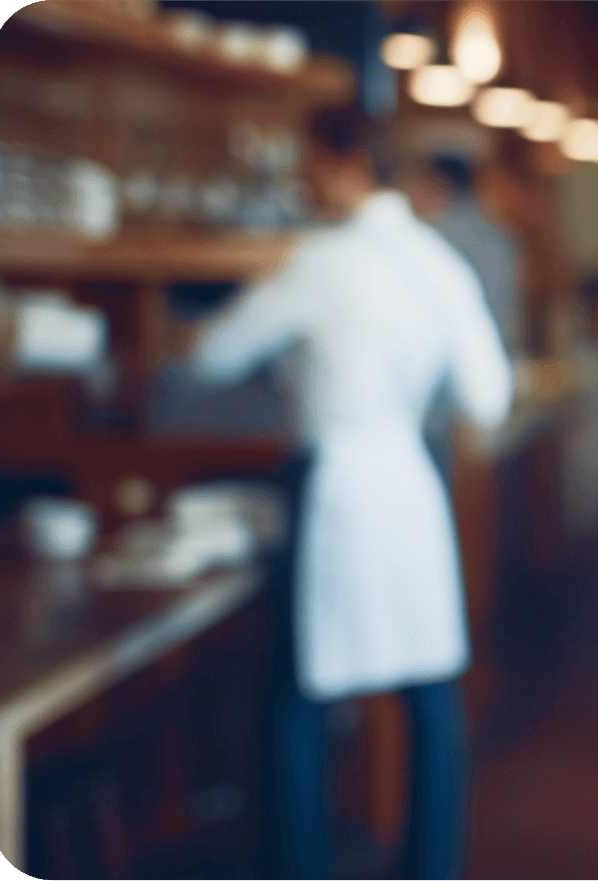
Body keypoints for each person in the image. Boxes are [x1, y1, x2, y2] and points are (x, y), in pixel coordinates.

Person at [189, 105, 512, 881]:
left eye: (311, 162)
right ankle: (433, 867)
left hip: (334, 481)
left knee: (296, 695)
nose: (303, 179)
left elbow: (210, 354)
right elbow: (489, 397)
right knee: (430, 689)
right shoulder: (440, 262)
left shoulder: (320, 260)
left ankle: (297, 866)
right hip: (409, 476)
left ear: (344, 164)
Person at [409, 153, 524, 360]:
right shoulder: (502, 236)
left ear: (438, 186)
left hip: (451, 361)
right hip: (502, 354)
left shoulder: (431, 239)